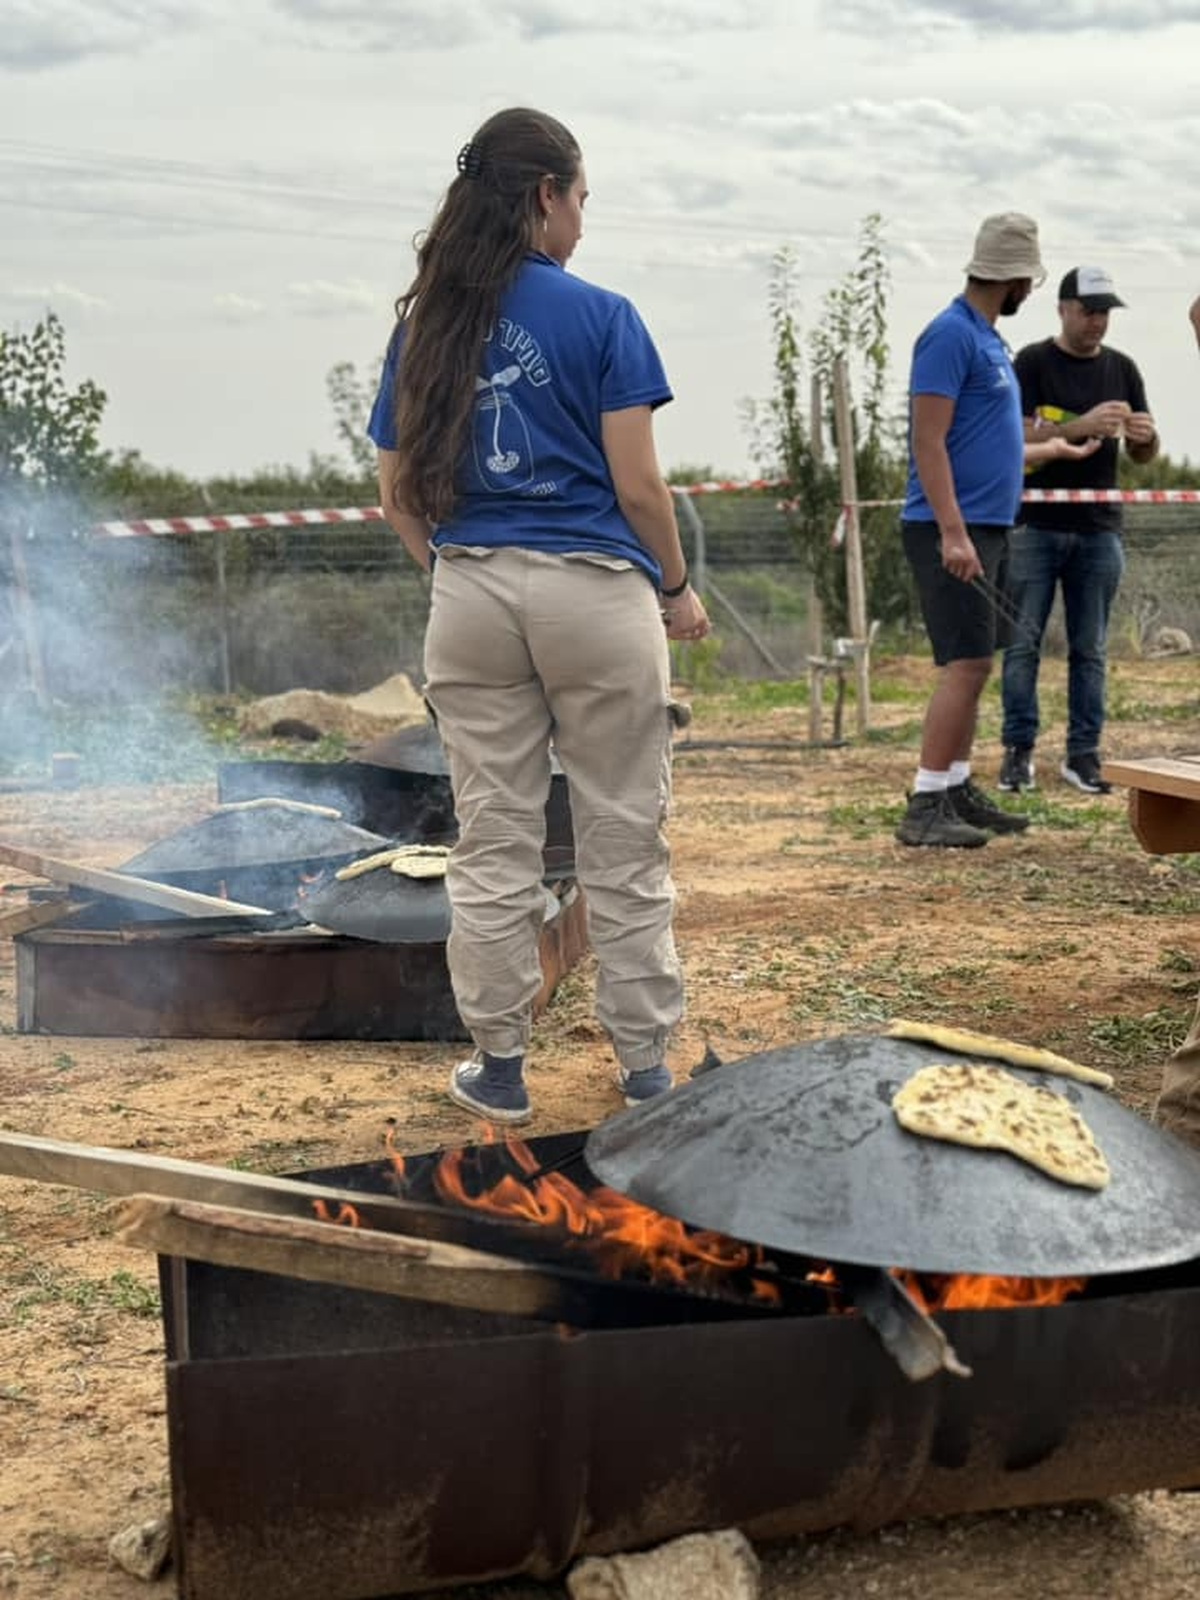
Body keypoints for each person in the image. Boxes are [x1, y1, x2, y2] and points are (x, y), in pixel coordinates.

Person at [366, 107, 710, 1125]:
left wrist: (460, 571)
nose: (583, 223)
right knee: (621, 831)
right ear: (543, 196)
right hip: (596, 593)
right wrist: (676, 585)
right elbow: (640, 489)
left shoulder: (426, 324)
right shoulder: (604, 317)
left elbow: (396, 496)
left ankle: (500, 1066)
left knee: (494, 835)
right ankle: (645, 1066)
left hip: (470, 590)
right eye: (581, 200)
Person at [894, 212, 1046, 849]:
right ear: (1010, 277)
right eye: (1027, 282)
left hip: (987, 526)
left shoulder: (989, 340)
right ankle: (926, 802)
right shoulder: (950, 336)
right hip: (948, 529)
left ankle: (954, 785)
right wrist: (953, 533)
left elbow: (993, 437)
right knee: (965, 663)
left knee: (979, 662)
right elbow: (928, 441)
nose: (1029, 293)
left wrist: (1058, 443)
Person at [998, 267, 1159, 797]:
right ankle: (1018, 752)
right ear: (1063, 308)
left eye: (1105, 312)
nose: (1098, 322)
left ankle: (1083, 755)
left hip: (1098, 529)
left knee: (1090, 649)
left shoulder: (1123, 369)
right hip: (1035, 526)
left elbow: (1142, 455)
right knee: (1023, 645)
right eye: (1089, 310)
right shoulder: (1032, 362)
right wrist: (1078, 425)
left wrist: (1144, 436)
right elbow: (1010, 433)